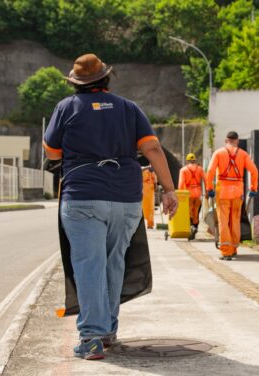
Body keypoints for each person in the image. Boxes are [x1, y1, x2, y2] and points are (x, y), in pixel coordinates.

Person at [43, 53, 178, 361]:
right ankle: (108, 332)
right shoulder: (129, 109)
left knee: (90, 264)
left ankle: (91, 337)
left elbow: (51, 151)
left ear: (77, 82)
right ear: (106, 78)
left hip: (83, 197)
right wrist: (169, 190)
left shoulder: (67, 107)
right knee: (115, 261)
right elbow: (153, 148)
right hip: (127, 199)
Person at [205, 131, 258, 260]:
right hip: (237, 191)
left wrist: (209, 188)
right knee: (235, 220)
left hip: (223, 191)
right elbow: (254, 171)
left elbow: (210, 171)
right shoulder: (243, 154)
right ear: (237, 141)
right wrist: (253, 188)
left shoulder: (218, 153)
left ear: (226, 140)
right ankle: (234, 247)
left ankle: (226, 250)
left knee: (223, 221)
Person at [178, 153, 204, 237]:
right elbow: (206, 180)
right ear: (195, 160)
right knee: (196, 211)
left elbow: (181, 183)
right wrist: (208, 191)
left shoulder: (183, 170)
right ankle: (195, 226)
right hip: (198, 193)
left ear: (187, 161)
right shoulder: (200, 169)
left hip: (188, 193)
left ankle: (190, 227)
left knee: (189, 211)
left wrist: (180, 193)